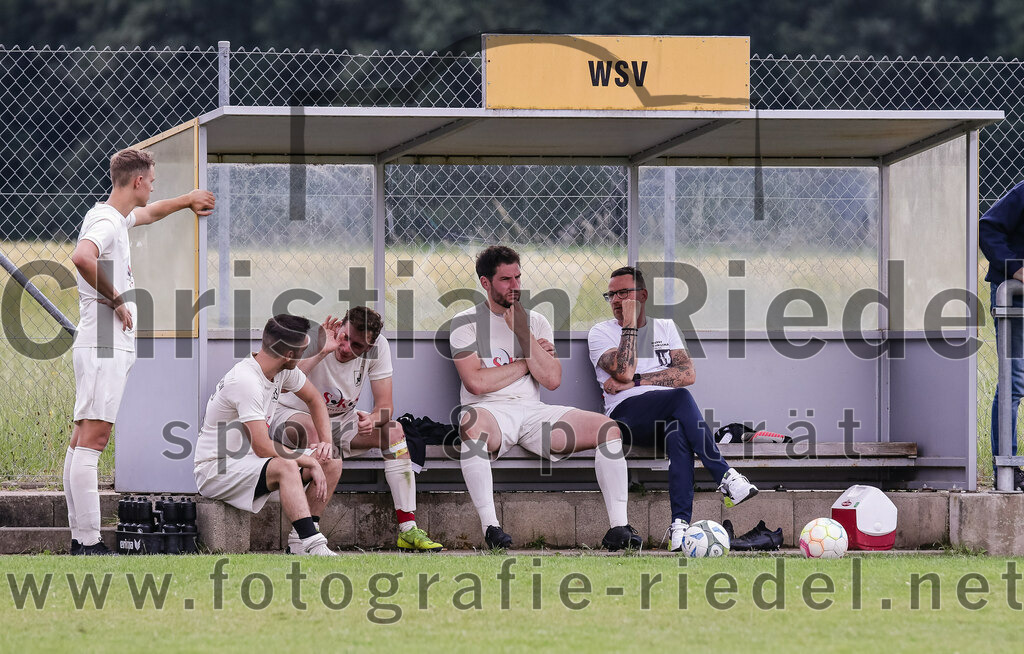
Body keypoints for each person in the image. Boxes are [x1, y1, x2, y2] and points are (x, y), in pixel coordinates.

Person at [66, 147, 215, 555]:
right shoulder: (104, 221)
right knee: (93, 439)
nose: (153, 185)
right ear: (136, 181)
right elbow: (82, 256)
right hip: (103, 342)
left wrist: (187, 201)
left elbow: (149, 213)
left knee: (83, 438)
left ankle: (81, 537)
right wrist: (116, 299)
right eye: (151, 180)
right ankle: (89, 541)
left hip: (102, 342)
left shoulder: (117, 217)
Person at [450, 245, 641, 551]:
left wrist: (523, 334)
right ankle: (492, 528)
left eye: (518, 277)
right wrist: (528, 361)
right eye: (505, 280)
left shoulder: (535, 321)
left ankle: (618, 528)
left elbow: (552, 379)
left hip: (533, 413)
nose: (515, 286)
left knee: (609, 429)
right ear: (485, 283)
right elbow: (476, 383)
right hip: (489, 413)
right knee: (470, 424)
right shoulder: (465, 322)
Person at [587, 266, 758, 552]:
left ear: (642, 295)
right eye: (611, 294)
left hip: (665, 418)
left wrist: (637, 381)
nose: (616, 300)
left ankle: (679, 527)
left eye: (624, 293)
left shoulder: (664, 327)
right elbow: (622, 369)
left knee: (679, 433)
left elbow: (687, 373)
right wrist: (629, 327)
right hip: (625, 418)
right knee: (679, 398)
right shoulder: (601, 333)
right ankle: (725, 475)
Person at [270, 306, 444, 552]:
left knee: (393, 431)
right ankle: (306, 534)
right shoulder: (317, 336)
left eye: (358, 346)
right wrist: (322, 351)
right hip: (291, 416)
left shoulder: (379, 347)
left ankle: (408, 529)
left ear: (370, 347)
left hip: (340, 420)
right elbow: (284, 385)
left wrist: (373, 419)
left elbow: (385, 405)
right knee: (319, 435)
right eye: (345, 338)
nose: (346, 348)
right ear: (339, 326)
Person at [193, 314, 343, 556]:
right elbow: (263, 447)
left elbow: (315, 399)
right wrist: (308, 460)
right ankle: (314, 545)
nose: (306, 355)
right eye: (304, 350)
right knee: (286, 466)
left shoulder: (281, 371)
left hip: (250, 463)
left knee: (331, 462)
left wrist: (325, 443)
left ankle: (299, 542)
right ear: (288, 356)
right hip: (216, 470)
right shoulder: (246, 380)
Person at [980, 181, 1024, 490]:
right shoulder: (1022, 193)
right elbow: (988, 228)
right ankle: (1006, 469)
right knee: (1015, 379)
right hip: (1015, 296)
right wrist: (1016, 268)